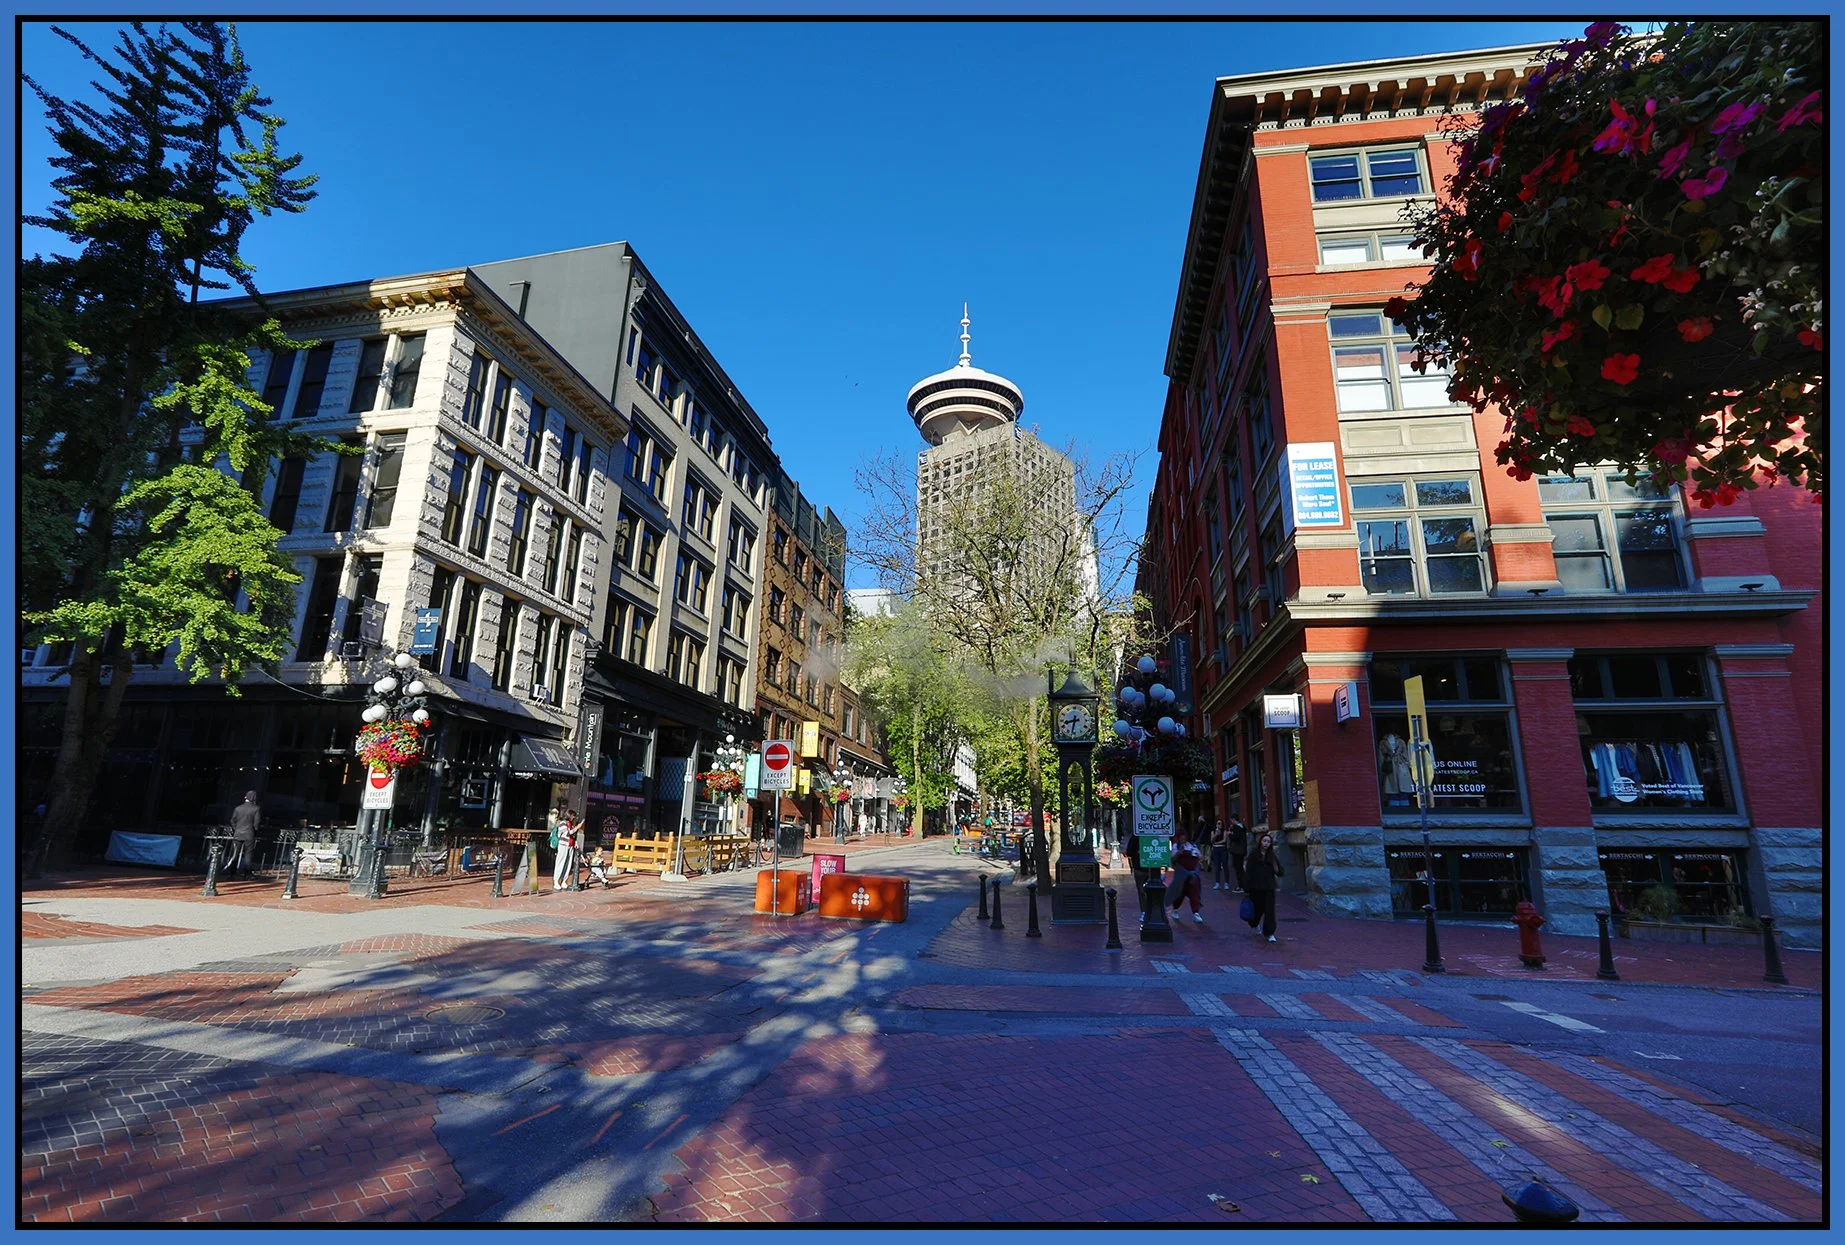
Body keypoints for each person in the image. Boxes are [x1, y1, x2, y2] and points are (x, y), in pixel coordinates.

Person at [1243, 831, 1285, 942]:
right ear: (1260, 842)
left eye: (1268, 842)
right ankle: (1254, 923)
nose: (1266, 843)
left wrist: (1276, 866)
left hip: (1269, 887)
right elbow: (1248, 872)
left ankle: (1269, 932)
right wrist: (1246, 888)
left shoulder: (1272, 856)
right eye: (1264, 841)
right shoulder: (1254, 855)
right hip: (1256, 887)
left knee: (1270, 911)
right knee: (1258, 909)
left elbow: (1280, 872)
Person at [1167, 827, 1205, 924]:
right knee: (1180, 892)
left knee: (1194, 894)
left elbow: (1200, 856)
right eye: (1181, 837)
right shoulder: (1176, 846)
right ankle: (1175, 909)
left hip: (1192, 875)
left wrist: (1197, 856)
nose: (1183, 839)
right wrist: (1179, 853)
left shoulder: (1192, 846)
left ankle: (1196, 913)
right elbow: (1172, 859)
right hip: (1181, 875)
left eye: (1184, 837)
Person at [228, 790, 260, 875]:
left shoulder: (238, 808)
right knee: (248, 855)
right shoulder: (256, 808)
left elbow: (232, 820)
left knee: (235, 854)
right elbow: (256, 824)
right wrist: (254, 831)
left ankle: (232, 872)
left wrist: (236, 828)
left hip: (238, 833)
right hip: (249, 834)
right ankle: (246, 873)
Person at [552, 810, 579, 893]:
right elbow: (567, 833)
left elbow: (572, 835)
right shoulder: (562, 823)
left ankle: (564, 880)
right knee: (561, 862)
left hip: (570, 845)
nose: (574, 817)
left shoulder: (570, 824)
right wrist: (577, 828)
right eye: (573, 816)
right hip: (563, 845)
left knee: (568, 864)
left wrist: (575, 842)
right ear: (569, 815)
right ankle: (556, 881)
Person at [1209, 818, 1232, 891]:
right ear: (1216, 825)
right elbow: (1212, 840)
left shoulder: (1224, 831)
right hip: (1215, 850)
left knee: (1225, 865)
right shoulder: (1213, 832)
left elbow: (1224, 840)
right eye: (1218, 823)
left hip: (1223, 849)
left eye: (1221, 823)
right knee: (1217, 866)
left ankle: (1226, 883)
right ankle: (1217, 883)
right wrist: (1216, 834)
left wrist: (1217, 843)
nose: (1220, 825)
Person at [1227, 817, 1249, 892]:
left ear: (1233, 819)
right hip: (1242, 851)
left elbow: (1235, 838)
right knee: (1241, 869)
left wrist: (1230, 834)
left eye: (1231, 820)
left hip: (1236, 851)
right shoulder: (1243, 827)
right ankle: (1244, 885)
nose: (1231, 822)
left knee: (1238, 869)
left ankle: (1241, 886)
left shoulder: (1236, 827)